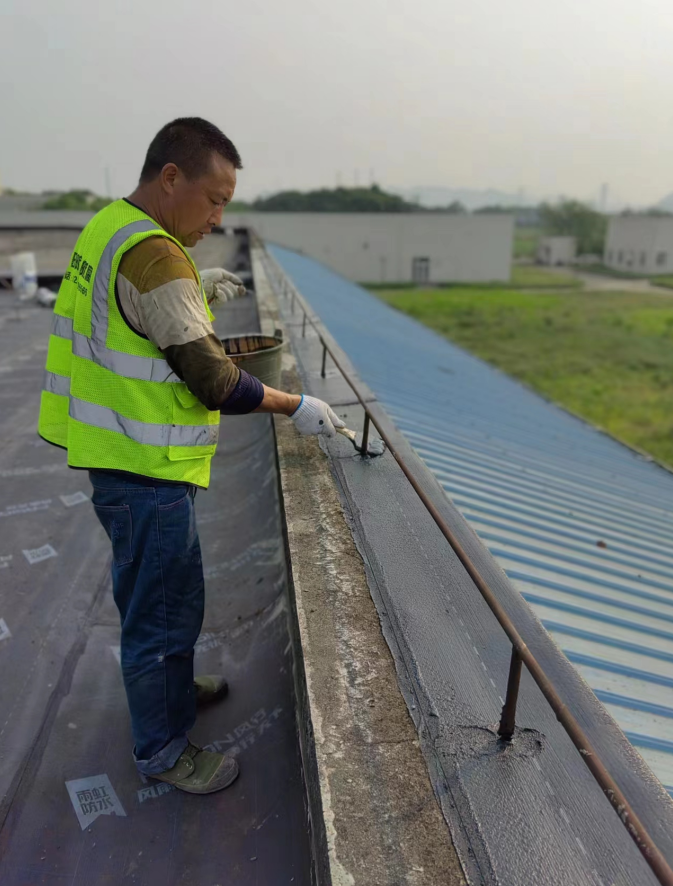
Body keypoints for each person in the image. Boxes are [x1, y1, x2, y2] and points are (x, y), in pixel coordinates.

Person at [38, 117, 344, 795]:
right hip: (145, 470)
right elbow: (215, 381)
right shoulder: (157, 257)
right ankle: (162, 750)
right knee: (161, 613)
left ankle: (172, 691)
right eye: (214, 200)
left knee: (166, 600)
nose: (217, 218)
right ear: (171, 178)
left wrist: (193, 291)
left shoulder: (110, 225)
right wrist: (294, 405)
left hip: (119, 456)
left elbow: (125, 315)